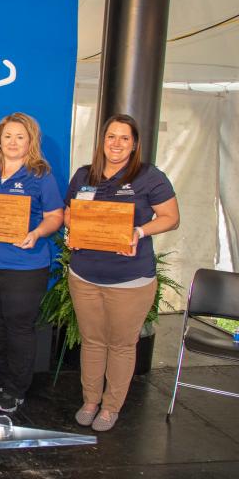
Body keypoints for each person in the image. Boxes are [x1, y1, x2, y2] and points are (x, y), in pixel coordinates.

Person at [66, 114, 179, 431]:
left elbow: (170, 216)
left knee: (121, 345)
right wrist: (73, 228)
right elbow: (68, 212)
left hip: (130, 280)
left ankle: (111, 406)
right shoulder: (84, 175)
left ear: (134, 144)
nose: (116, 143)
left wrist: (139, 232)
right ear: (102, 141)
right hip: (84, 275)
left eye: (124, 138)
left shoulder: (148, 176)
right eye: (110, 137)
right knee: (91, 341)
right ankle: (90, 400)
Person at [0, 112, 64, 414]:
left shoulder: (40, 175)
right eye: (8, 136)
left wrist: (36, 233)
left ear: (30, 141)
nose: (13, 142)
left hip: (25, 266)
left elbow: (55, 217)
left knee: (19, 327)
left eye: (20, 137)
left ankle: (16, 388)